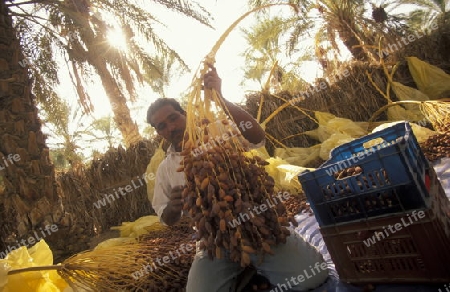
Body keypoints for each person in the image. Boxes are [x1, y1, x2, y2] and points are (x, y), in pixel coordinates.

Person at [146, 64, 329, 292]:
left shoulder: (217, 132)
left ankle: (255, 265)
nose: (171, 127)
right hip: (214, 240)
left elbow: (257, 137)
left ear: (185, 114)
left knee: (314, 277)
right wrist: (173, 208)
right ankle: (245, 270)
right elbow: (166, 217)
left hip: (258, 223)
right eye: (162, 126)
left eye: (174, 118)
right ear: (158, 132)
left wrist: (220, 99)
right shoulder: (165, 169)